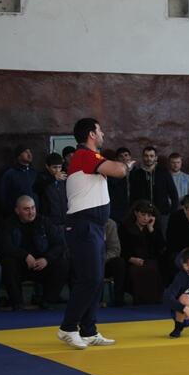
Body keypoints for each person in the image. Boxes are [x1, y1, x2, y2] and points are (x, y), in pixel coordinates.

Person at [58, 118, 128, 349]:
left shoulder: (90, 158)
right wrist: (127, 165)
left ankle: (88, 330)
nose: (103, 134)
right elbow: (119, 170)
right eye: (100, 130)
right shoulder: (84, 155)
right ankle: (68, 327)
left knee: (96, 280)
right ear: (91, 134)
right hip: (83, 225)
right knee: (89, 278)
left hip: (94, 227)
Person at [1, 195, 69, 309]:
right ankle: (17, 303)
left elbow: (59, 244)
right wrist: (25, 256)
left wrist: (46, 259)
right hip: (20, 265)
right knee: (8, 262)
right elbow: (5, 246)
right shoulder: (8, 224)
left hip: (41, 264)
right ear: (17, 211)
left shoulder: (44, 221)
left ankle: (48, 301)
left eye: (33, 208)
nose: (31, 212)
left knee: (63, 262)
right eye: (26, 209)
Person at [119, 200, 167, 304]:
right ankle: (139, 301)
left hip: (150, 260)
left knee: (154, 268)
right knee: (136, 271)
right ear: (136, 213)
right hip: (131, 260)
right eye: (143, 214)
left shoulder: (154, 227)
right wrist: (131, 259)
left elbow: (161, 246)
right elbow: (121, 248)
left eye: (149, 215)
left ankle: (154, 300)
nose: (146, 218)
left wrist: (151, 230)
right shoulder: (125, 227)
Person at [0, 145, 38, 216]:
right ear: (19, 156)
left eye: (30, 152)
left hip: (33, 213)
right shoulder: (10, 174)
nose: (29, 154)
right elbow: (3, 195)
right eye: (26, 152)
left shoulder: (34, 172)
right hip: (16, 214)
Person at [35, 152, 68, 226]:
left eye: (59, 167)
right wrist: (53, 178)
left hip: (63, 218)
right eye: (54, 167)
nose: (58, 170)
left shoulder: (63, 178)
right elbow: (36, 188)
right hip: (49, 220)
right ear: (47, 166)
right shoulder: (41, 177)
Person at [108, 147, 134, 222]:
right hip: (117, 211)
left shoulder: (136, 172)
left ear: (130, 157)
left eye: (126, 155)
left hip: (133, 209)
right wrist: (123, 171)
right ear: (116, 159)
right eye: (121, 156)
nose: (124, 158)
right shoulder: (112, 173)